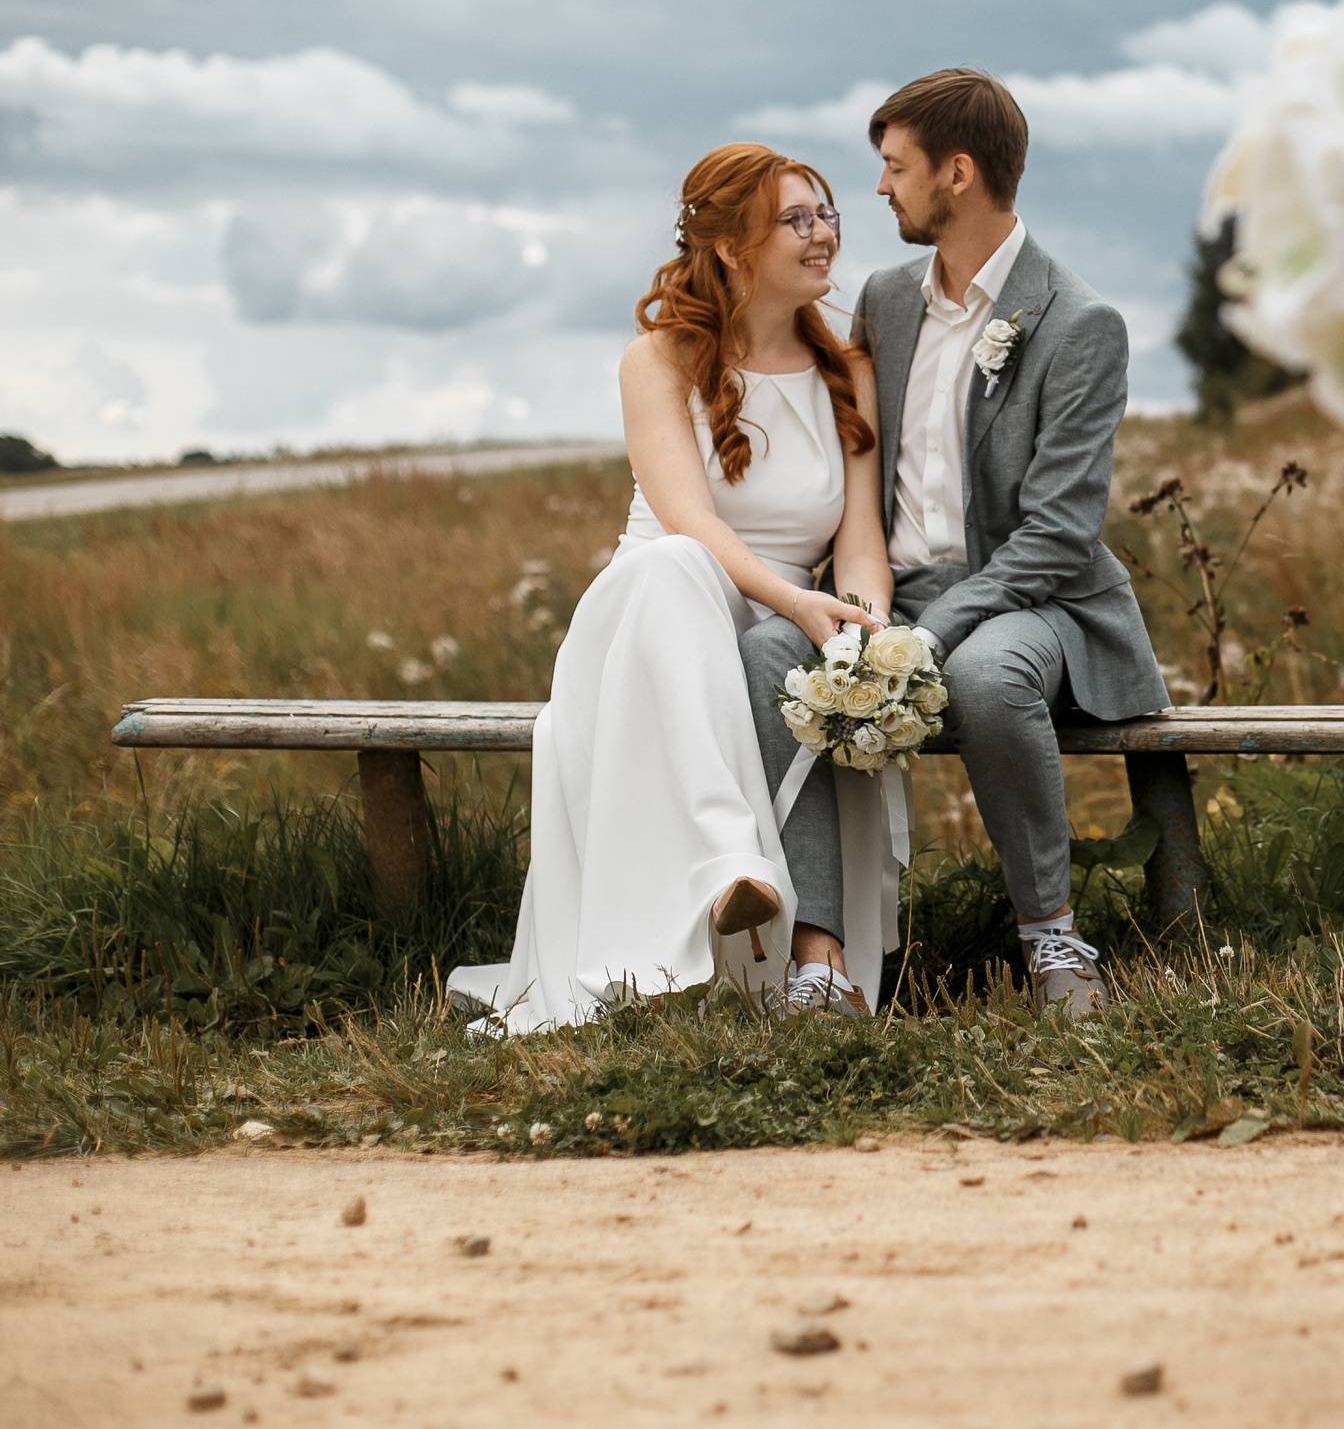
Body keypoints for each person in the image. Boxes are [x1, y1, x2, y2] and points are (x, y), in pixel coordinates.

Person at [448, 143, 903, 1033]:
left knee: (764, 631)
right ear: (733, 246)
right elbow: (691, 519)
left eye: (829, 215)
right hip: (646, 628)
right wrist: (796, 600)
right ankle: (729, 861)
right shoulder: (657, 360)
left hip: (766, 629)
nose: (826, 237)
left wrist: (866, 628)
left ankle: (755, 900)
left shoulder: (847, 370)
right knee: (675, 565)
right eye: (798, 221)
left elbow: (861, 544)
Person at [739, 69, 1166, 1018]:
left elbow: (1059, 535)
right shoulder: (886, 302)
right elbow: (859, 464)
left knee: (983, 677)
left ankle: (1051, 937)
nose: (881, 189)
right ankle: (821, 963)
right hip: (897, 589)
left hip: (1035, 601)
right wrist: (871, 608)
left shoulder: (1078, 323)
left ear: (958, 173)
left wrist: (931, 635)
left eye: (895, 167)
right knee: (771, 650)